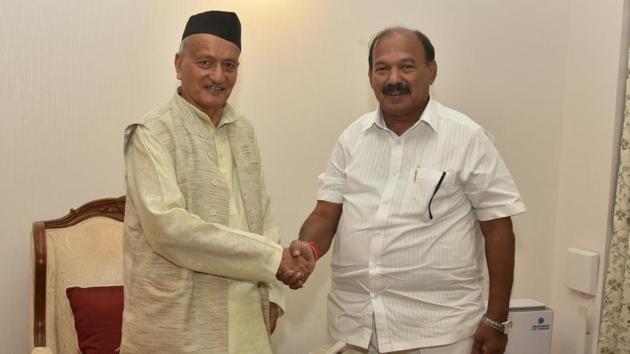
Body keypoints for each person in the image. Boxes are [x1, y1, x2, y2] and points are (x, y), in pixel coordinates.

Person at [293, 27, 526, 354]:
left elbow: (499, 229)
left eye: (406, 66)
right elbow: (325, 213)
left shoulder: (468, 138)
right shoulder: (352, 139)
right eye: (382, 68)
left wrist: (496, 320)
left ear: (431, 71)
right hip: (354, 329)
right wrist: (308, 248)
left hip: (438, 334)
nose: (393, 78)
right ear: (370, 75)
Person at [120, 10, 312, 354]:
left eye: (230, 65)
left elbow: (262, 216)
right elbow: (170, 230)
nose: (218, 76)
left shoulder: (244, 130)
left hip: (247, 321)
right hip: (178, 326)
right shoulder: (152, 133)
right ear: (179, 65)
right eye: (205, 62)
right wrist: (273, 260)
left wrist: (275, 293)